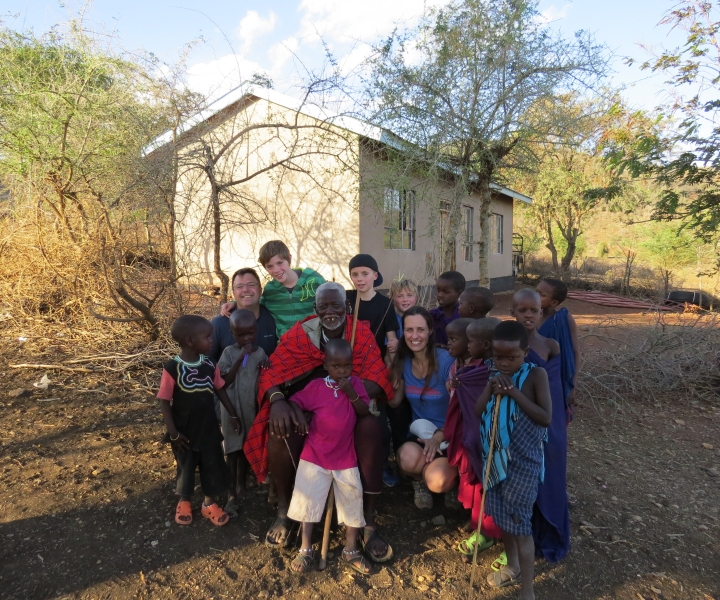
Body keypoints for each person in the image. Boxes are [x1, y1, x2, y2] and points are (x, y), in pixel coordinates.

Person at [243, 282, 395, 563]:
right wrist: (278, 401)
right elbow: (273, 373)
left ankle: (368, 522)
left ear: (346, 307)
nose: (329, 311)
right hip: (307, 411)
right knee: (279, 429)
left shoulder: (359, 333)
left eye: (335, 305)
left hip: (350, 411)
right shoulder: (300, 334)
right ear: (314, 309)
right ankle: (285, 513)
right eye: (323, 305)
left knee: (373, 429)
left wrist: (343, 396)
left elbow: (377, 378)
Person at [475, 321, 552, 599]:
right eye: (499, 357)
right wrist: (491, 387)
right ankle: (513, 565)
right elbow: (477, 410)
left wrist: (513, 393)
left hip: (522, 463)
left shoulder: (536, 375)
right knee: (502, 517)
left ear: (526, 352)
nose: (505, 363)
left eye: (512, 357)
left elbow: (545, 417)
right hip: (494, 461)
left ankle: (528, 591)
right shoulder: (492, 374)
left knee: (520, 524)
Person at [286, 339, 372, 575]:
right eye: (336, 366)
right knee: (307, 501)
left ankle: (351, 550)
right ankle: (305, 549)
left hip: (345, 457)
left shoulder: (355, 384)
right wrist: (300, 416)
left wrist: (351, 393)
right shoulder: (316, 387)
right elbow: (294, 401)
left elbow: (364, 410)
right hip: (314, 455)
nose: (342, 371)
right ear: (326, 365)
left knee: (353, 499)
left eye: (347, 366)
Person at [157, 315, 241, 528]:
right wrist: (173, 433)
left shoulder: (210, 364)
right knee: (185, 467)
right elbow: (164, 401)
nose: (211, 341)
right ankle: (184, 501)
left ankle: (208, 504)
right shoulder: (172, 368)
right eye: (207, 337)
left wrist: (232, 414)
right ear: (190, 340)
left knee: (211, 466)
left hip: (209, 429)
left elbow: (220, 389)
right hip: (183, 432)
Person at [512, 289, 570, 564]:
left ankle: (548, 531)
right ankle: (523, 532)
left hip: (547, 424)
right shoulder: (507, 345)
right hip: (517, 426)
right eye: (522, 310)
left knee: (549, 476)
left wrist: (556, 430)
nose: (528, 315)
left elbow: (554, 395)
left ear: (541, 312)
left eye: (533, 310)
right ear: (512, 313)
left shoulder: (550, 346)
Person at [390, 306, 457, 510]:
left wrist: (440, 435)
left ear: (430, 331)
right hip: (420, 435)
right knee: (407, 459)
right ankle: (420, 481)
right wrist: (391, 370)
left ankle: (451, 481)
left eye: (420, 329)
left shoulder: (447, 361)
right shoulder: (404, 362)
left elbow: (461, 408)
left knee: (438, 482)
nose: (415, 336)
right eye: (409, 330)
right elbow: (394, 403)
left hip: (449, 436)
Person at [217, 309, 268, 518]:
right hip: (231, 410)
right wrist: (241, 356)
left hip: (250, 410)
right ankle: (231, 494)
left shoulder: (260, 352)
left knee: (247, 447)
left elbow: (264, 374)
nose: (246, 338)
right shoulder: (229, 352)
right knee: (232, 451)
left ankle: (241, 484)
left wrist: (265, 363)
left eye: (250, 334)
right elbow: (223, 382)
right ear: (232, 333)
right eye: (241, 335)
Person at [221, 240, 326, 338]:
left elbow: (332, 302)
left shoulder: (314, 280)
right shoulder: (271, 290)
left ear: (289, 258)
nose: (276, 270)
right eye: (269, 266)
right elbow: (256, 301)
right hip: (286, 347)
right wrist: (235, 302)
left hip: (314, 343)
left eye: (280, 263)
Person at [210, 268, 277, 362]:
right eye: (239, 286)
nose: (245, 289)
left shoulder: (273, 318)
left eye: (251, 285)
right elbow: (206, 362)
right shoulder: (218, 324)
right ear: (233, 293)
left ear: (260, 290)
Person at [536, 278, 580, 421]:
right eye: (535, 291)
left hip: (556, 379)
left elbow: (574, 352)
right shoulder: (529, 317)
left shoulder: (564, 319)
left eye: (541, 294)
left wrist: (572, 384)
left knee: (554, 419)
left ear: (554, 303)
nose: (535, 296)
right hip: (531, 379)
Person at [346, 254, 399, 358]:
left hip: (375, 361)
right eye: (355, 275)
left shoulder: (385, 304)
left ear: (375, 275)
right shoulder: (346, 298)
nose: (359, 279)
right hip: (348, 361)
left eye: (365, 274)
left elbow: (391, 338)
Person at [429, 271, 466, 346]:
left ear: (459, 293)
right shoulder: (432, 316)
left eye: (445, 292)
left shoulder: (465, 316)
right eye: (438, 290)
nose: (439, 295)